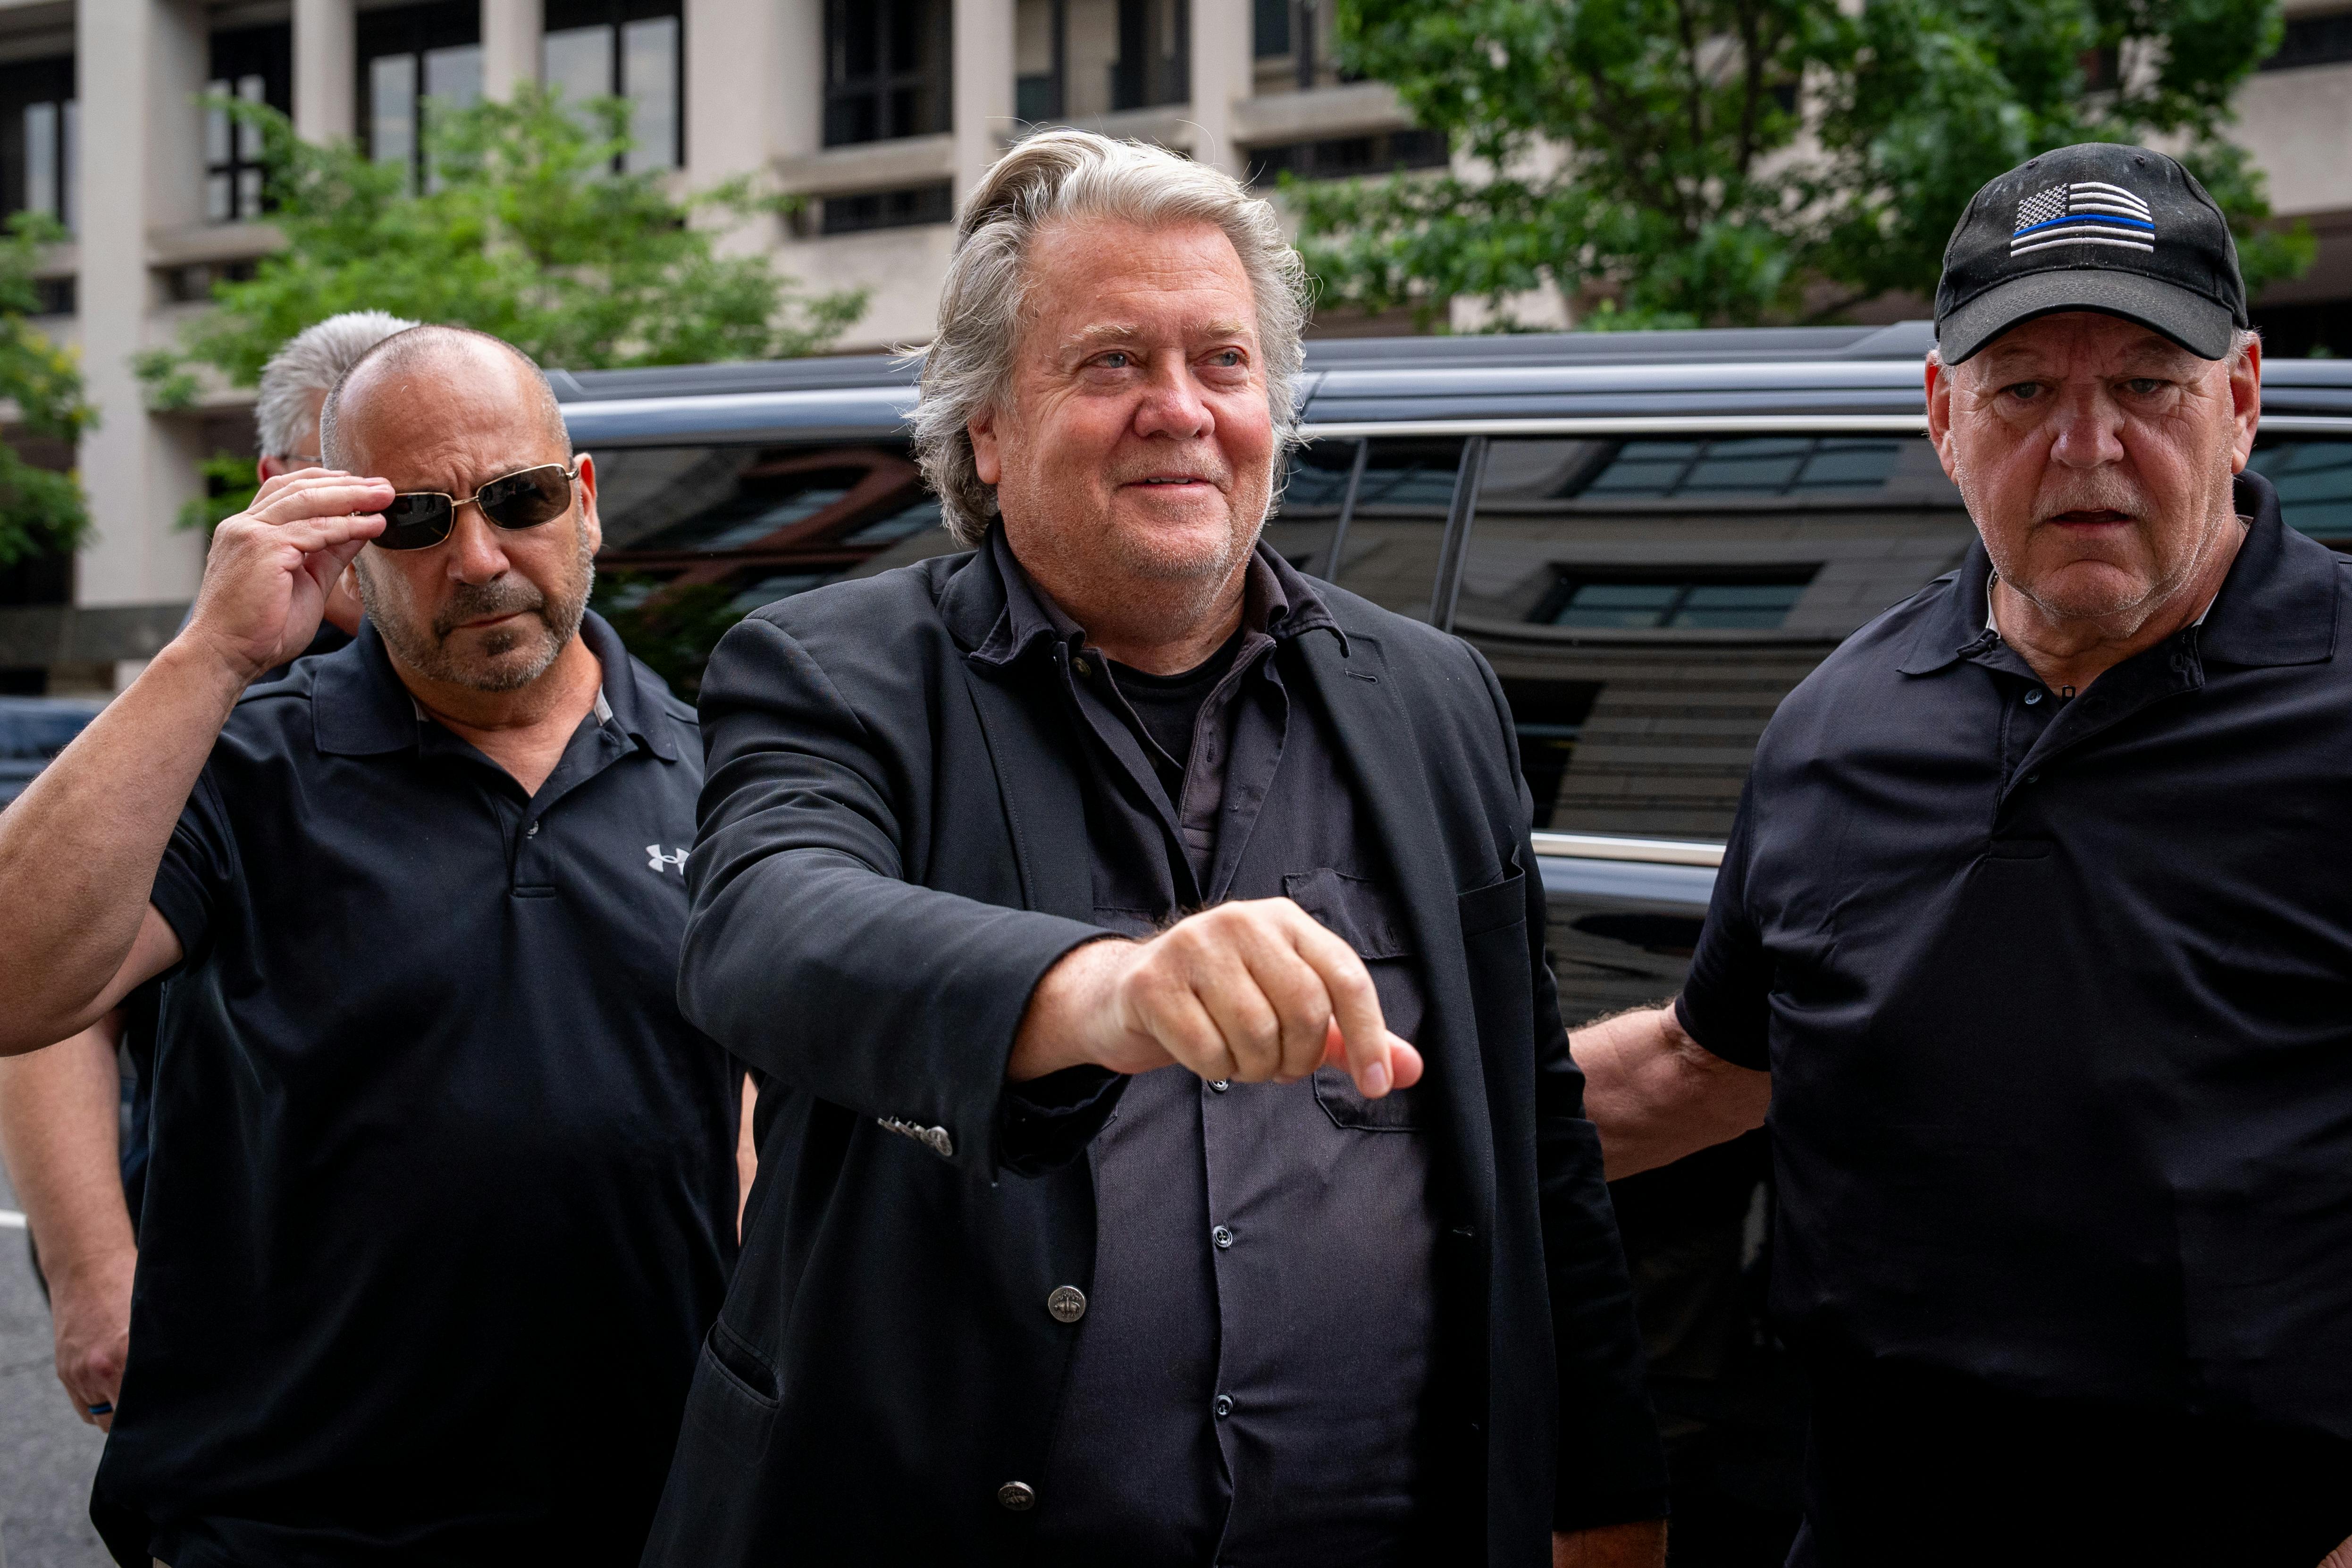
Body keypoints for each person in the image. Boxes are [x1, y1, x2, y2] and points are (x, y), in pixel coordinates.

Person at [638, 128, 1667, 1567]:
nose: (1178, 410)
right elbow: (769, 932)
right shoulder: (831, 670)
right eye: (1111, 362)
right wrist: (1103, 993)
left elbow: (1534, 1136)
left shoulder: (1437, 697)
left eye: (1224, 363)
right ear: (987, 428)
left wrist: (1603, 1497)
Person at [1571, 143, 2352, 1567]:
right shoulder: (1834, 730)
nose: (2088, 446)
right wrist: (1355, 1140)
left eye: (2145, 385)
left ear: (2240, 401)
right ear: (1943, 415)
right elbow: (1708, 1065)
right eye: (2026, 391)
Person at [0, 323, 743, 1567]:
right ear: (347, 546)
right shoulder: (242, 762)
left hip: (656, 1510)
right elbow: (20, 981)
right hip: (298, 1515)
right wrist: (211, 653)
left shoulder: (721, 775)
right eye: (414, 520)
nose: (477, 556)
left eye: (519, 499)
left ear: (587, 503)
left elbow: (764, 1119)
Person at [0, 310, 417, 1442]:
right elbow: (44, 1001)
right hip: (247, 1328)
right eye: (370, 492)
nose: (412, 535)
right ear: (279, 484)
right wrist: (91, 1271)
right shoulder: (207, 713)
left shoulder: (515, 684)